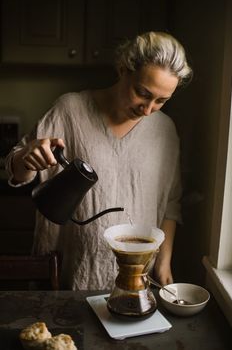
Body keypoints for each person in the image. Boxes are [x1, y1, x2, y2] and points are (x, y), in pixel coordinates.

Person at [5, 31, 192, 290]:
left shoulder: (165, 130)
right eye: (142, 93)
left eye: (161, 100)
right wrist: (27, 159)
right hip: (69, 273)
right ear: (123, 69)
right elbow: (16, 170)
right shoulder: (70, 110)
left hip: (135, 280)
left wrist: (163, 263)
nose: (148, 109)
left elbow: (170, 203)